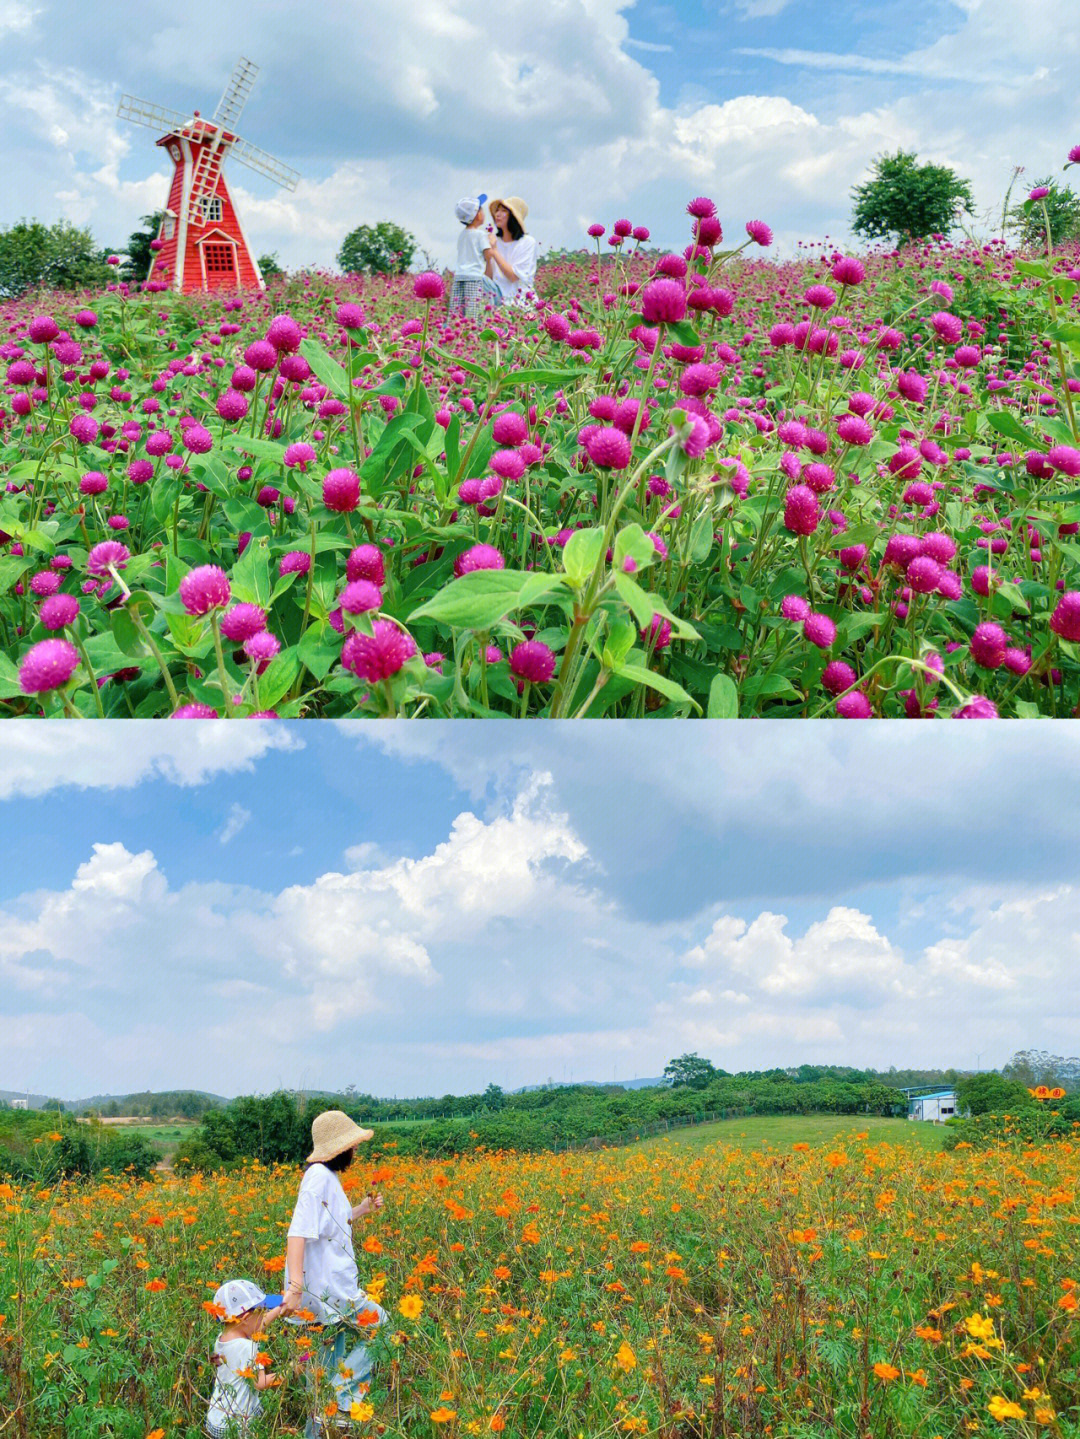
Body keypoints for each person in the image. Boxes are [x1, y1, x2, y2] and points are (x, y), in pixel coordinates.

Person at [279, 1110, 388, 1436]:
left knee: (322, 1374)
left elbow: (331, 1225)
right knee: (382, 1326)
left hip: (331, 1292)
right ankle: (345, 1398)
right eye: (352, 1145)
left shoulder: (328, 1179)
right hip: (328, 1292)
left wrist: (362, 1210)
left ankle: (331, 1412)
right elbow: (297, 1232)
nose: (356, 1151)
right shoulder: (317, 1179)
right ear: (339, 1148)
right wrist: (295, 1287)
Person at [205, 1279, 282, 1437]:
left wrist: (279, 1309)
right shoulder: (249, 1347)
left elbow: (255, 1327)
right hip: (238, 1424)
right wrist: (290, 1371)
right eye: (262, 1313)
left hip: (217, 1419)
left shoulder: (222, 1338)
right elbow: (259, 1383)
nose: (264, 1317)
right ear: (246, 1318)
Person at [449, 194, 501, 318]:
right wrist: (492, 245)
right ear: (478, 215)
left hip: (459, 277)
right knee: (473, 314)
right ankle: (473, 334)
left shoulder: (462, 235)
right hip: (474, 278)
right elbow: (488, 255)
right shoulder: (480, 235)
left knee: (457, 312)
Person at [487, 197, 538, 305]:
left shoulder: (527, 242)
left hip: (521, 305)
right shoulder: (494, 242)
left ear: (513, 217)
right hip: (498, 304)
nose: (498, 214)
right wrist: (488, 258)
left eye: (503, 211)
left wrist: (495, 252)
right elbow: (488, 279)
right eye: (497, 210)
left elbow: (514, 276)